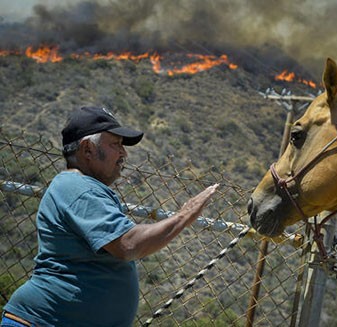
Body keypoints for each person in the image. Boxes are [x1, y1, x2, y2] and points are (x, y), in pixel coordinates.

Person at [1, 106, 218, 327]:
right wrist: (185, 215)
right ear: (87, 149)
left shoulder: (81, 187)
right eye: (115, 145)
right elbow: (128, 244)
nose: (124, 153)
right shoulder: (77, 187)